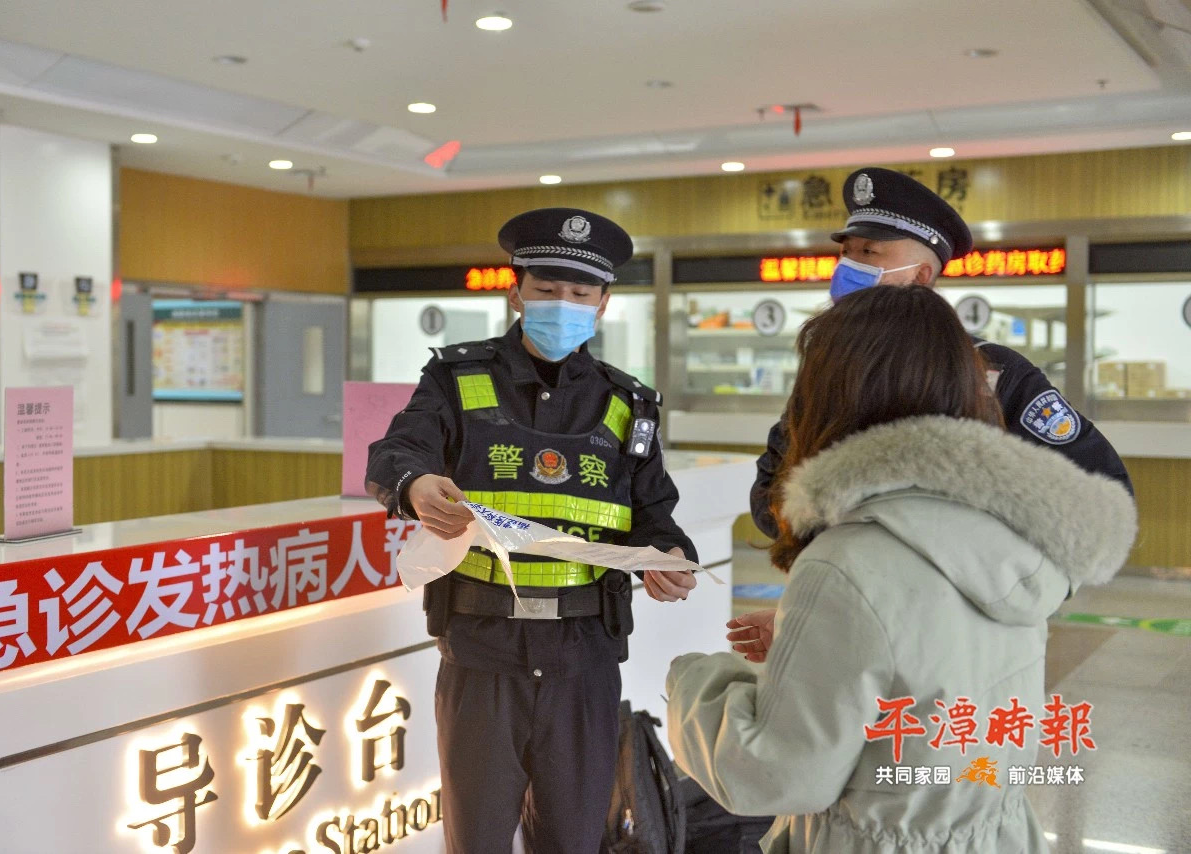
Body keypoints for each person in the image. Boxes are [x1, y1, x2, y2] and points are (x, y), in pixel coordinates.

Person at [665, 284, 1137, 853]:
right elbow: (934, 661)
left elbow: (778, 774)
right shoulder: (1017, 530)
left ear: (834, 396)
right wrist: (812, 634)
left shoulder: (846, 562)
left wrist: (694, 683)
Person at [365, 207, 699, 853]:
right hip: (482, 651)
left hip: (584, 658)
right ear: (515, 291)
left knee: (574, 838)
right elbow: (396, 452)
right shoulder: (456, 379)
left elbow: (654, 511)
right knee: (477, 838)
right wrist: (414, 483)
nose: (562, 305)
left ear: (603, 304)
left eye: (580, 293)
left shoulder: (629, 403)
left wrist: (672, 556)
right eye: (546, 289)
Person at [749, 167, 1132, 541]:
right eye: (846, 252)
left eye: (869, 251)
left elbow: (1103, 490)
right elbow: (769, 489)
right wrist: (842, 543)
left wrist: (995, 558)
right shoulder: (827, 366)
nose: (849, 266)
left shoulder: (991, 371)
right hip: (842, 574)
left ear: (919, 276)